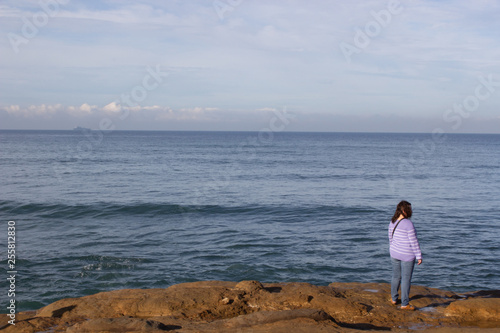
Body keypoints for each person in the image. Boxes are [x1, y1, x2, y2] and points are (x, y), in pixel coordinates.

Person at [388, 200, 422, 310]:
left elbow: (390, 238)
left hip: (394, 253)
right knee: (406, 279)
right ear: (404, 210)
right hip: (407, 255)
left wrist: (394, 249)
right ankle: (405, 304)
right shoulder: (408, 224)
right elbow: (414, 241)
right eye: (409, 209)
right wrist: (419, 256)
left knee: (396, 276)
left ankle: (394, 299)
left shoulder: (392, 222)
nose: (411, 211)